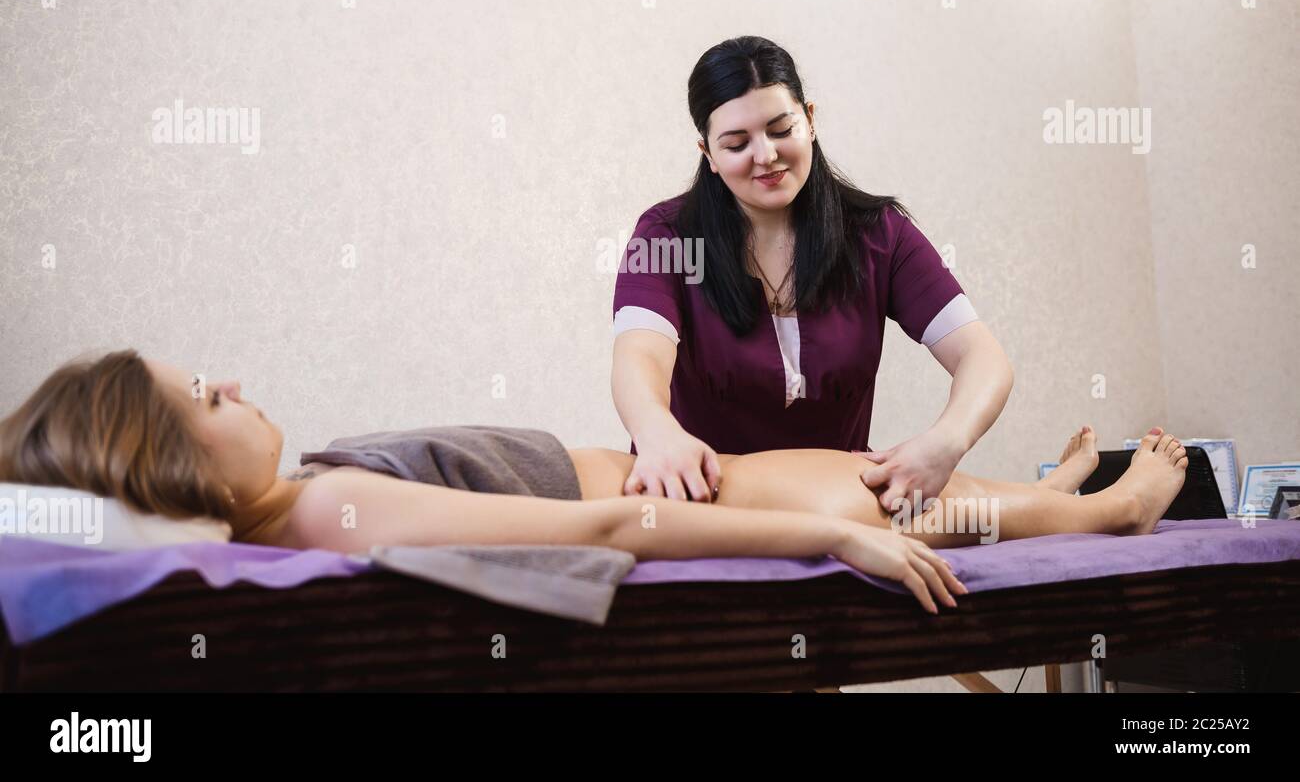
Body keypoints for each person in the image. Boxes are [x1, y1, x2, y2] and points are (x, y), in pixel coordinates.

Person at [1, 351, 1191, 615]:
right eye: (209, 398)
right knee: (884, 498)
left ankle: (1066, 490)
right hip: (679, 494)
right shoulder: (322, 508)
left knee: (877, 475)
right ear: (160, 462)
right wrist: (819, 545)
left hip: (663, 464)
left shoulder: (299, 495)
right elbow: (609, 522)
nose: (236, 386)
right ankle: (1101, 507)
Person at [611, 36, 1015, 512]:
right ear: (708, 155)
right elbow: (639, 356)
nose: (765, 156)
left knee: (966, 509)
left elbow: (983, 357)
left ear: (811, 120)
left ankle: (1080, 501)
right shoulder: (665, 237)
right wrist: (657, 433)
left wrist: (946, 441)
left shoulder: (877, 235)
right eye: (737, 144)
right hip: (699, 500)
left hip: (831, 506)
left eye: (782, 129)